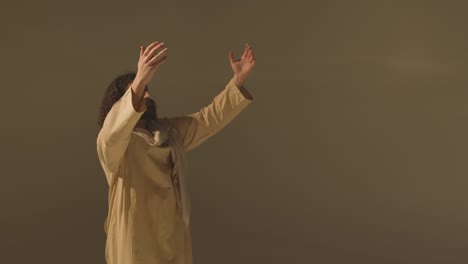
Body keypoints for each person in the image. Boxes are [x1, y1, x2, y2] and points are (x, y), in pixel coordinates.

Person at [96, 41, 256, 264]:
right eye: (142, 89)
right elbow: (112, 131)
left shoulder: (167, 132)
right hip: (134, 243)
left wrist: (238, 80)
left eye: (148, 88)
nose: (148, 94)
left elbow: (207, 120)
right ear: (120, 103)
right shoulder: (115, 145)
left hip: (170, 238)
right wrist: (140, 78)